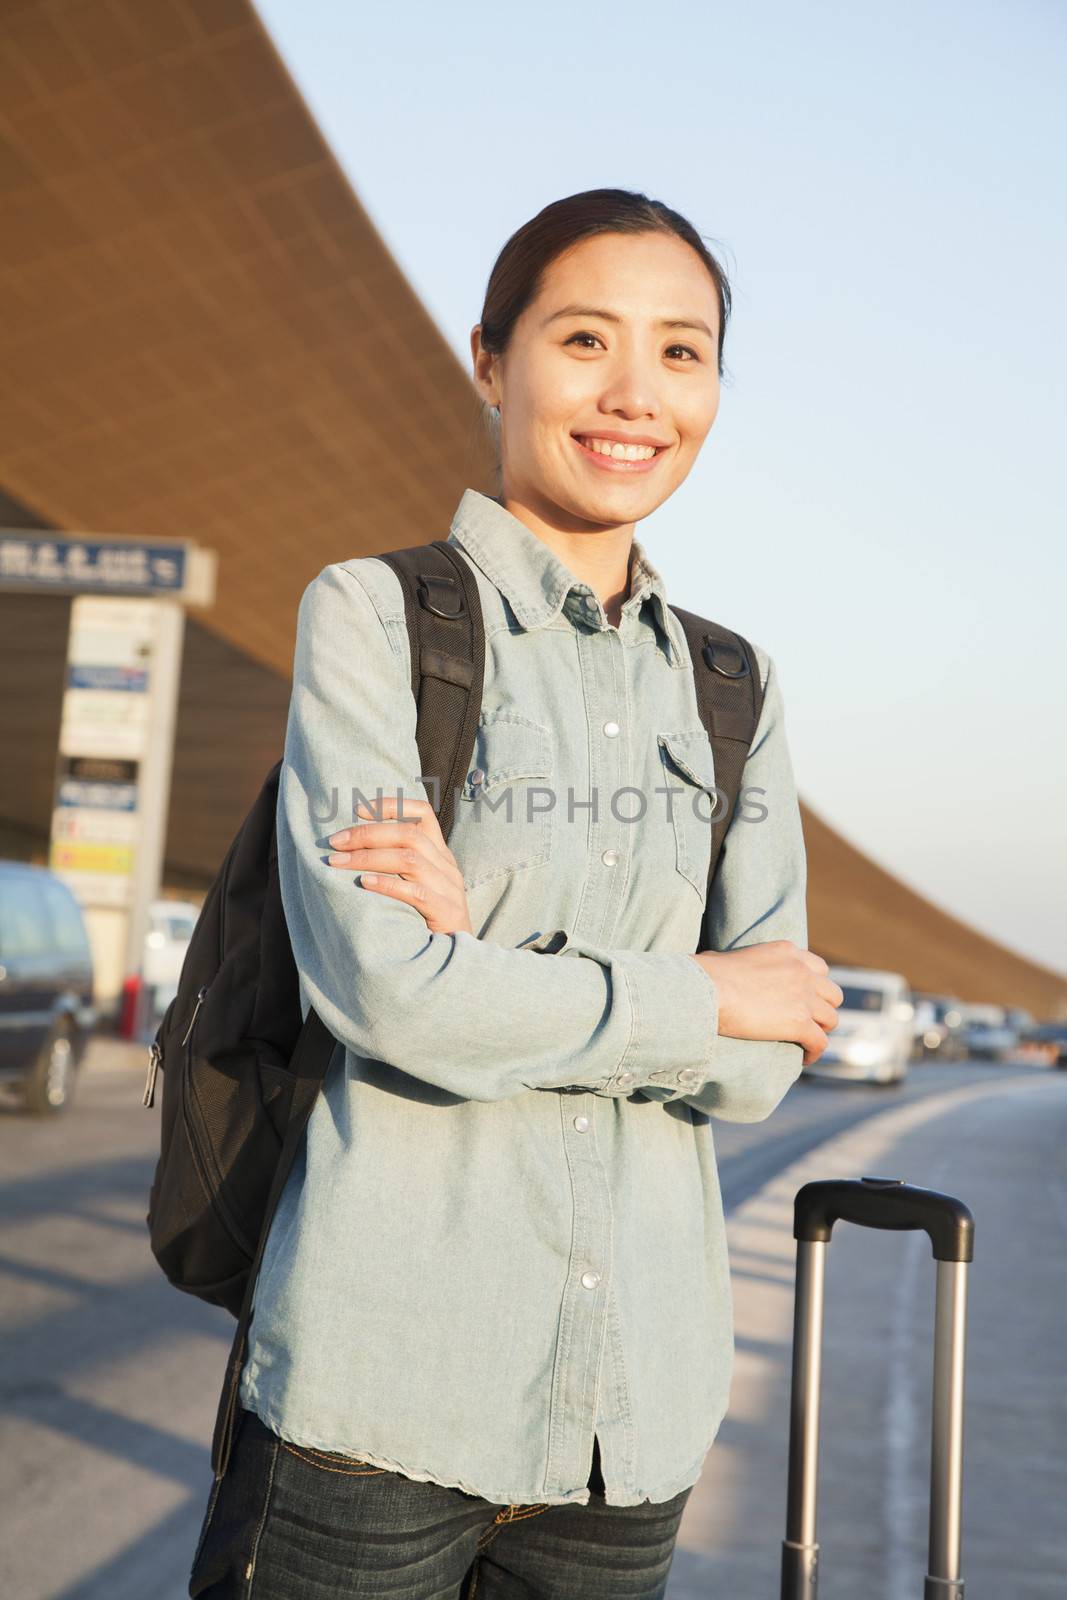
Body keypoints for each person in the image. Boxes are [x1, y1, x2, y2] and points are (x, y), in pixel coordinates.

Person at [188, 187, 841, 1600]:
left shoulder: (737, 688)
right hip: (376, 1414)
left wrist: (479, 952)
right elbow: (382, 990)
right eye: (586, 338)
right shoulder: (374, 617)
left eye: (682, 351)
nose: (634, 394)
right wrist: (701, 992)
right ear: (491, 360)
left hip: (636, 1432)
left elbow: (763, 1070)